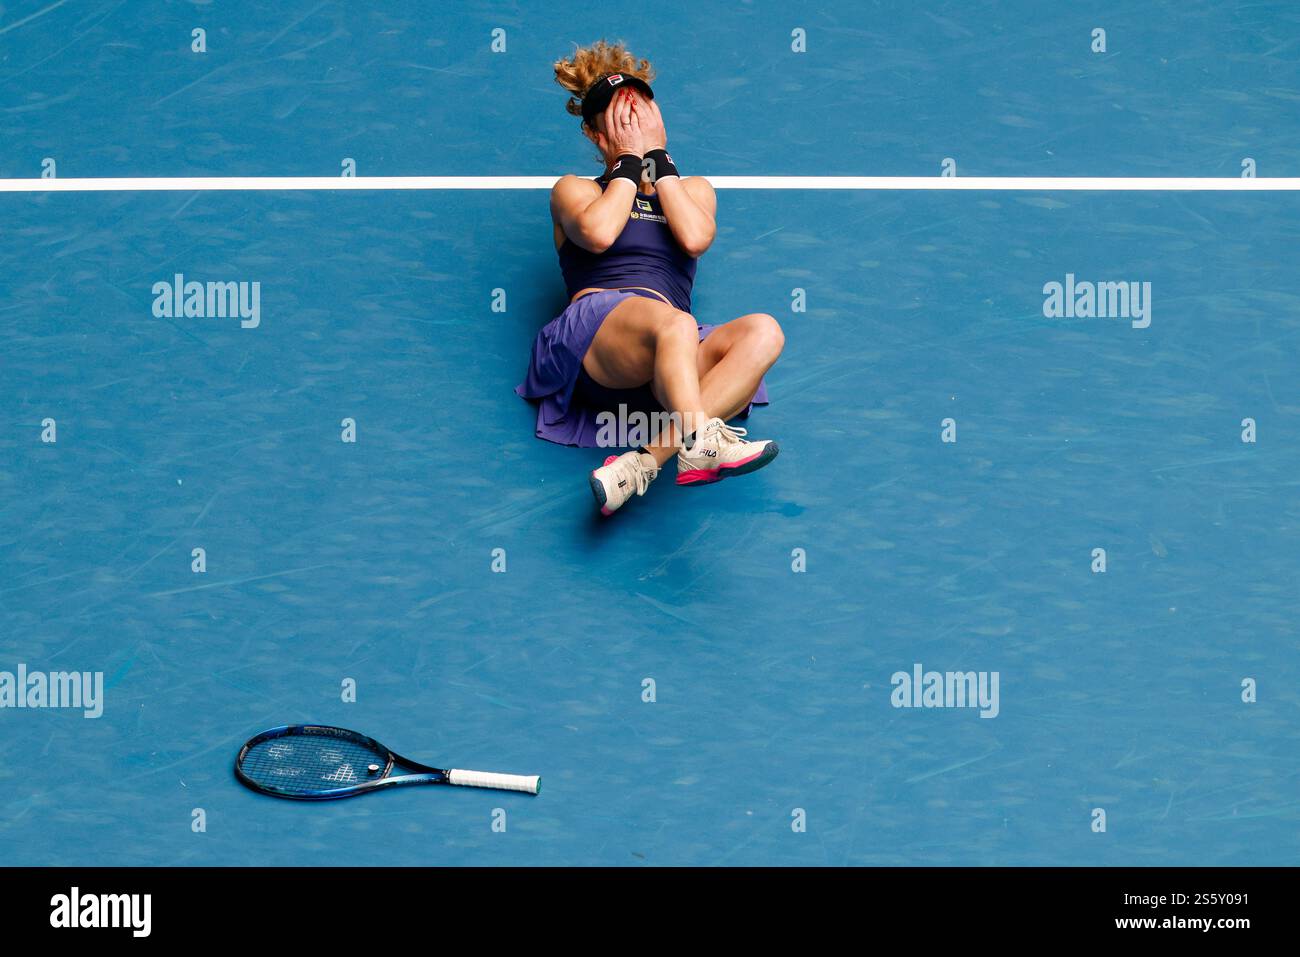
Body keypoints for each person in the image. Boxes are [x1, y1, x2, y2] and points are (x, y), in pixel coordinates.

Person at [516, 40, 784, 516]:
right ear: (596, 134)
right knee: (675, 323)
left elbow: (696, 238)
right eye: (620, 117)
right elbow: (599, 234)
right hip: (596, 336)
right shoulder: (574, 190)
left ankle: (641, 464)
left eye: (640, 111)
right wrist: (626, 161)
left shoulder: (694, 189)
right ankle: (701, 440)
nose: (633, 123)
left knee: (764, 331)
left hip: (667, 352)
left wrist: (657, 160)